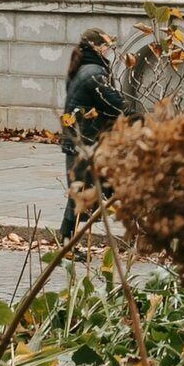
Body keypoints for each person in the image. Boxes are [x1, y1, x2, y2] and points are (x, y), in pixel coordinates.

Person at [57, 30, 127, 237]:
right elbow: (116, 105)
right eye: (105, 45)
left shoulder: (84, 67)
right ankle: (66, 240)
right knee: (84, 195)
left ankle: (66, 239)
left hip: (84, 139)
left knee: (95, 191)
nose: (108, 50)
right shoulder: (93, 73)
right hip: (86, 142)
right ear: (97, 47)